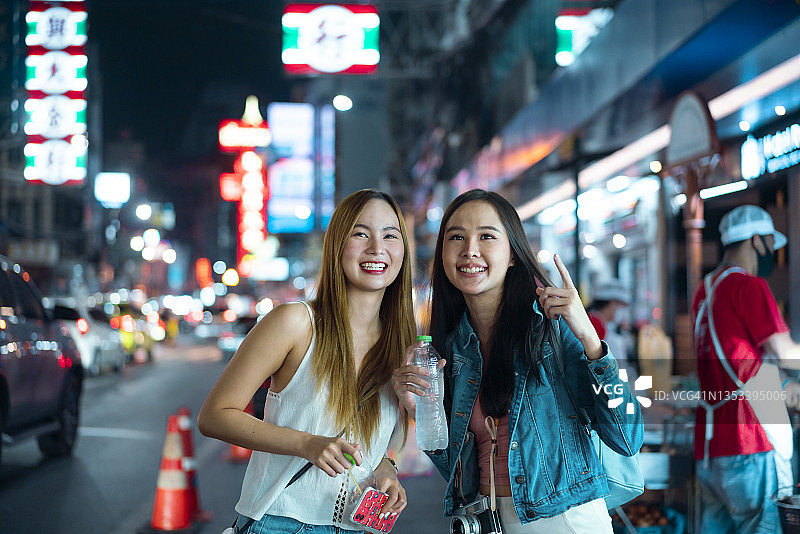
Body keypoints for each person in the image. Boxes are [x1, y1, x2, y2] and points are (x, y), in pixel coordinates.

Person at [392, 189, 644, 533]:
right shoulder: (450, 349)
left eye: (486, 236)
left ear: (513, 254)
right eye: (457, 237)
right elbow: (455, 466)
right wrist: (419, 409)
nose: (470, 250)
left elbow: (627, 436)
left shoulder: (550, 330)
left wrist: (589, 338)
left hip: (564, 519)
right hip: (488, 521)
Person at [198, 189, 415, 533]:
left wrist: (387, 466)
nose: (377, 248)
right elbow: (214, 416)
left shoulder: (402, 344)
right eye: (361, 234)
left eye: (390, 235)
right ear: (337, 246)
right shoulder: (296, 323)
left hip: (360, 526)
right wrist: (306, 444)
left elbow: (386, 435)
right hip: (281, 522)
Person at [692, 204, 800, 533]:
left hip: (710, 448)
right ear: (757, 241)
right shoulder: (748, 286)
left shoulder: (704, 291)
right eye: (771, 244)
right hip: (750, 439)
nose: (773, 253)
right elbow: (786, 353)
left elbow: (739, 361)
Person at [587, 279, 633, 369]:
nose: (624, 312)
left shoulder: (605, 325)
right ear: (612, 303)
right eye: (622, 306)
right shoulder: (595, 325)